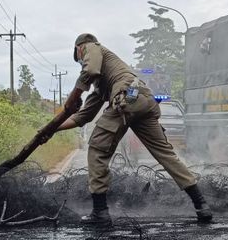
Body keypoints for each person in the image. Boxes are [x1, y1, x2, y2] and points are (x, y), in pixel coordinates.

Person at [52, 33, 212, 224]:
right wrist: (52, 129)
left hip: (126, 98)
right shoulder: (103, 84)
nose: (82, 62)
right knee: (166, 154)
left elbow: (91, 69)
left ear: (80, 48)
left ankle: (100, 213)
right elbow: (83, 116)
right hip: (143, 100)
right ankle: (201, 205)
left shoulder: (91, 46)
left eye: (80, 59)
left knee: (96, 148)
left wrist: (74, 95)